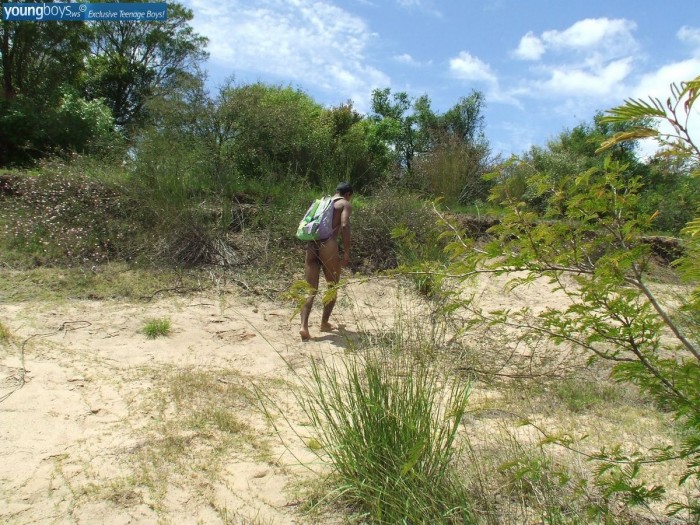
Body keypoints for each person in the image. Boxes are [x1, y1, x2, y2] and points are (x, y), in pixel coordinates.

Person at [299, 182, 353, 341]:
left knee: (309, 289)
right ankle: (324, 323)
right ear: (348, 194)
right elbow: (344, 225)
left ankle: (303, 327)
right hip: (328, 244)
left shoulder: (323, 202)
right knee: (332, 286)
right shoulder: (345, 203)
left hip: (312, 244)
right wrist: (347, 251)